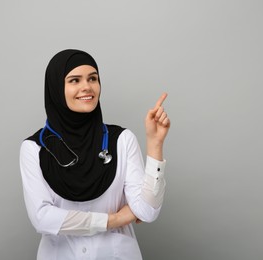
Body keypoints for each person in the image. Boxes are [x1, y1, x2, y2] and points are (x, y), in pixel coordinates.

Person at [19, 49, 170, 259]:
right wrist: (114, 220)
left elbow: (147, 211)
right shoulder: (35, 148)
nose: (87, 87)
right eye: (74, 80)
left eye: (93, 78)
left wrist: (155, 144)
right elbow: (42, 218)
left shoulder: (122, 139)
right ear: (56, 88)